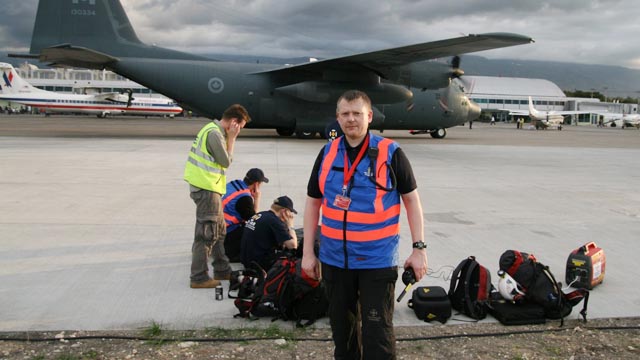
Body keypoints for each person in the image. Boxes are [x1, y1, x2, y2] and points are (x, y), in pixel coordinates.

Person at [302, 90, 428, 359]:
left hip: (376, 261)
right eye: (345, 114)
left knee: (377, 333)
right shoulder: (327, 153)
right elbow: (313, 203)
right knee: (342, 334)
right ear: (337, 118)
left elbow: (412, 202)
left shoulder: (391, 153)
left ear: (369, 116)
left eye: (357, 113)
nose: (351, 119)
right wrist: (308, 253)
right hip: (335, 260)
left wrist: (419, 249)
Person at [184, 104, 251, 289]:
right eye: (240, 126)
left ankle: (222, 269)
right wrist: (232, 138)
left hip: (209, 187)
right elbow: (225, 161)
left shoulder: (212, 130)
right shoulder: (215, 134)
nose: (239, 130)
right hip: (206, 188)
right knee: (206, 235)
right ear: (234, 122)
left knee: (219, 231)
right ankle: (198, 277)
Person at [222, 168, 269, 262]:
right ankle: (235, 253)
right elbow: (254, 221)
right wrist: (256, 199)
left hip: (218, 228)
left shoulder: (234, 184)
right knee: (257, 229)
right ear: (256, 184)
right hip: (227, 235)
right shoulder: (244, 198)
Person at [240, 196, 298, 271]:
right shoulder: (275, 222)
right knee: (293, 255)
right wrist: (290, 225)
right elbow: (293, 246)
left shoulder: (260, 215)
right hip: (259, 264)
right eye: (290, 212)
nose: (291, 215)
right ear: (284, 211)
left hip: (247, 260)